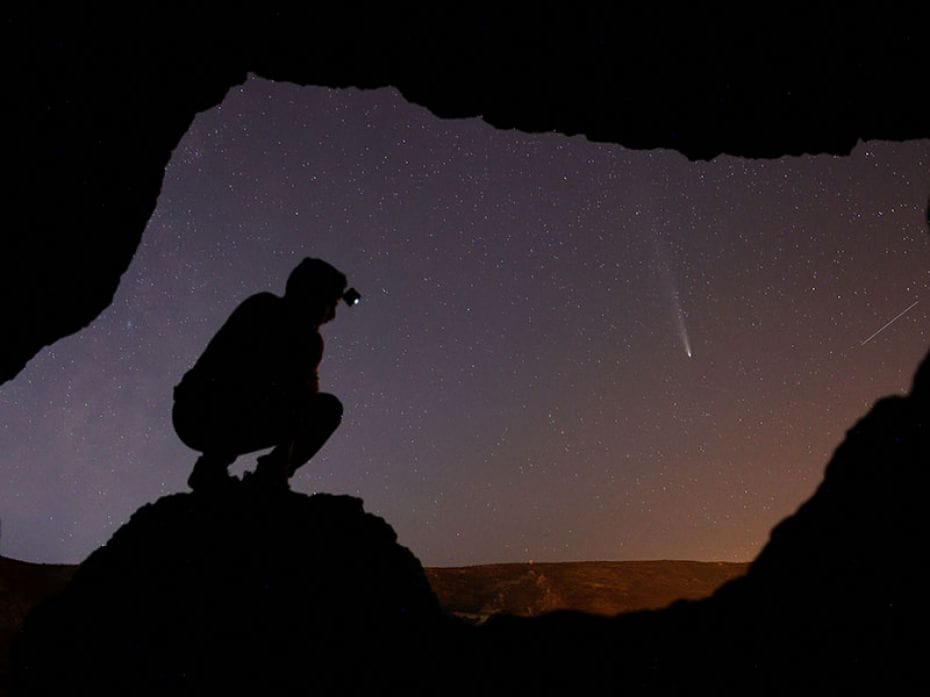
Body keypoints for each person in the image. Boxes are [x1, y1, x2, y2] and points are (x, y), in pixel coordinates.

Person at [172, 258, 350, 492]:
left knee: (324, 409)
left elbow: (303, 402)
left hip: (217, 414)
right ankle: (215, 467)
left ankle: (264, 473)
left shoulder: (306, 340)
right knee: (264, 387)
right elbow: (243, 372)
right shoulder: (264, 310)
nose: (332, 315)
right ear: (312, 296)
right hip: (200, 411)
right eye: (331, 304)